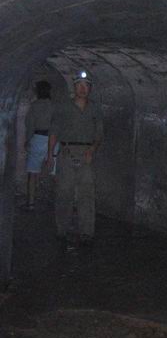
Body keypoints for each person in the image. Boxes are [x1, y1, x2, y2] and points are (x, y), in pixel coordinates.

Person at [47, 70, 102, 246]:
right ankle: (62, 229)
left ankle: (86, 231)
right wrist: (50, 155)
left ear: (90, 89)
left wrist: (92, 150)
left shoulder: (94, 108)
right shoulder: (64, 107)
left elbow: (99, 133)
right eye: (79, 85)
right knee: (64, 192)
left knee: (87, 194)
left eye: (86, 86)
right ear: (74, 87)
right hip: (66, 152)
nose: (82, 89)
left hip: (86, 154)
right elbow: (54, 132)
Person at [22, 80, 54, 210]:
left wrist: (28, 140)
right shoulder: (54, 106)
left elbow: (30, 124)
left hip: (37, 138)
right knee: (55, 171)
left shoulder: (35, 106)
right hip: (52, 139)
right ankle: (58, 202)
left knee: (32, 172)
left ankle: (31, 203)